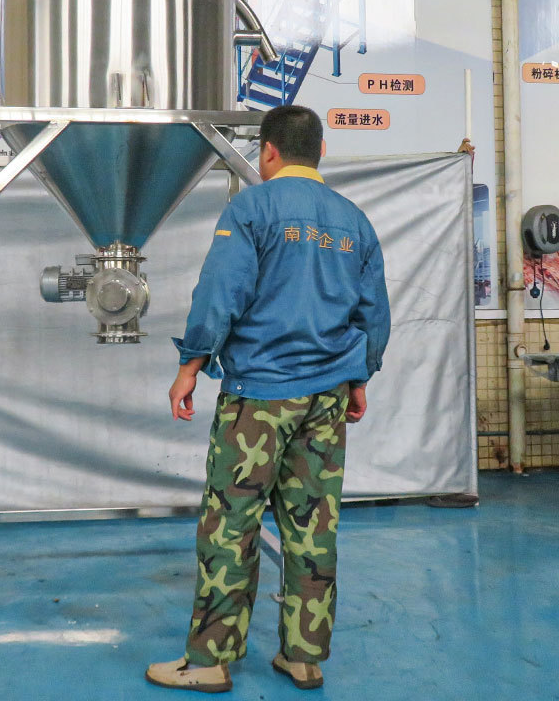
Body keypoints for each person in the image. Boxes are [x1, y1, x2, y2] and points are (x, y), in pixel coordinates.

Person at [145, 105, 391, 693]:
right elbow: (373, 313)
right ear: (321, 151)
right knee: (313, 526)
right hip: (327, 398)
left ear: (269, 152)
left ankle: (209, 662)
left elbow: (220, 292)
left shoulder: (252, 209)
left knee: (231, 525)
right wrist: (359, 379)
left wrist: (191, 364)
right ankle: (305, 658)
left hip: (257, 396)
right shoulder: (354, 221)